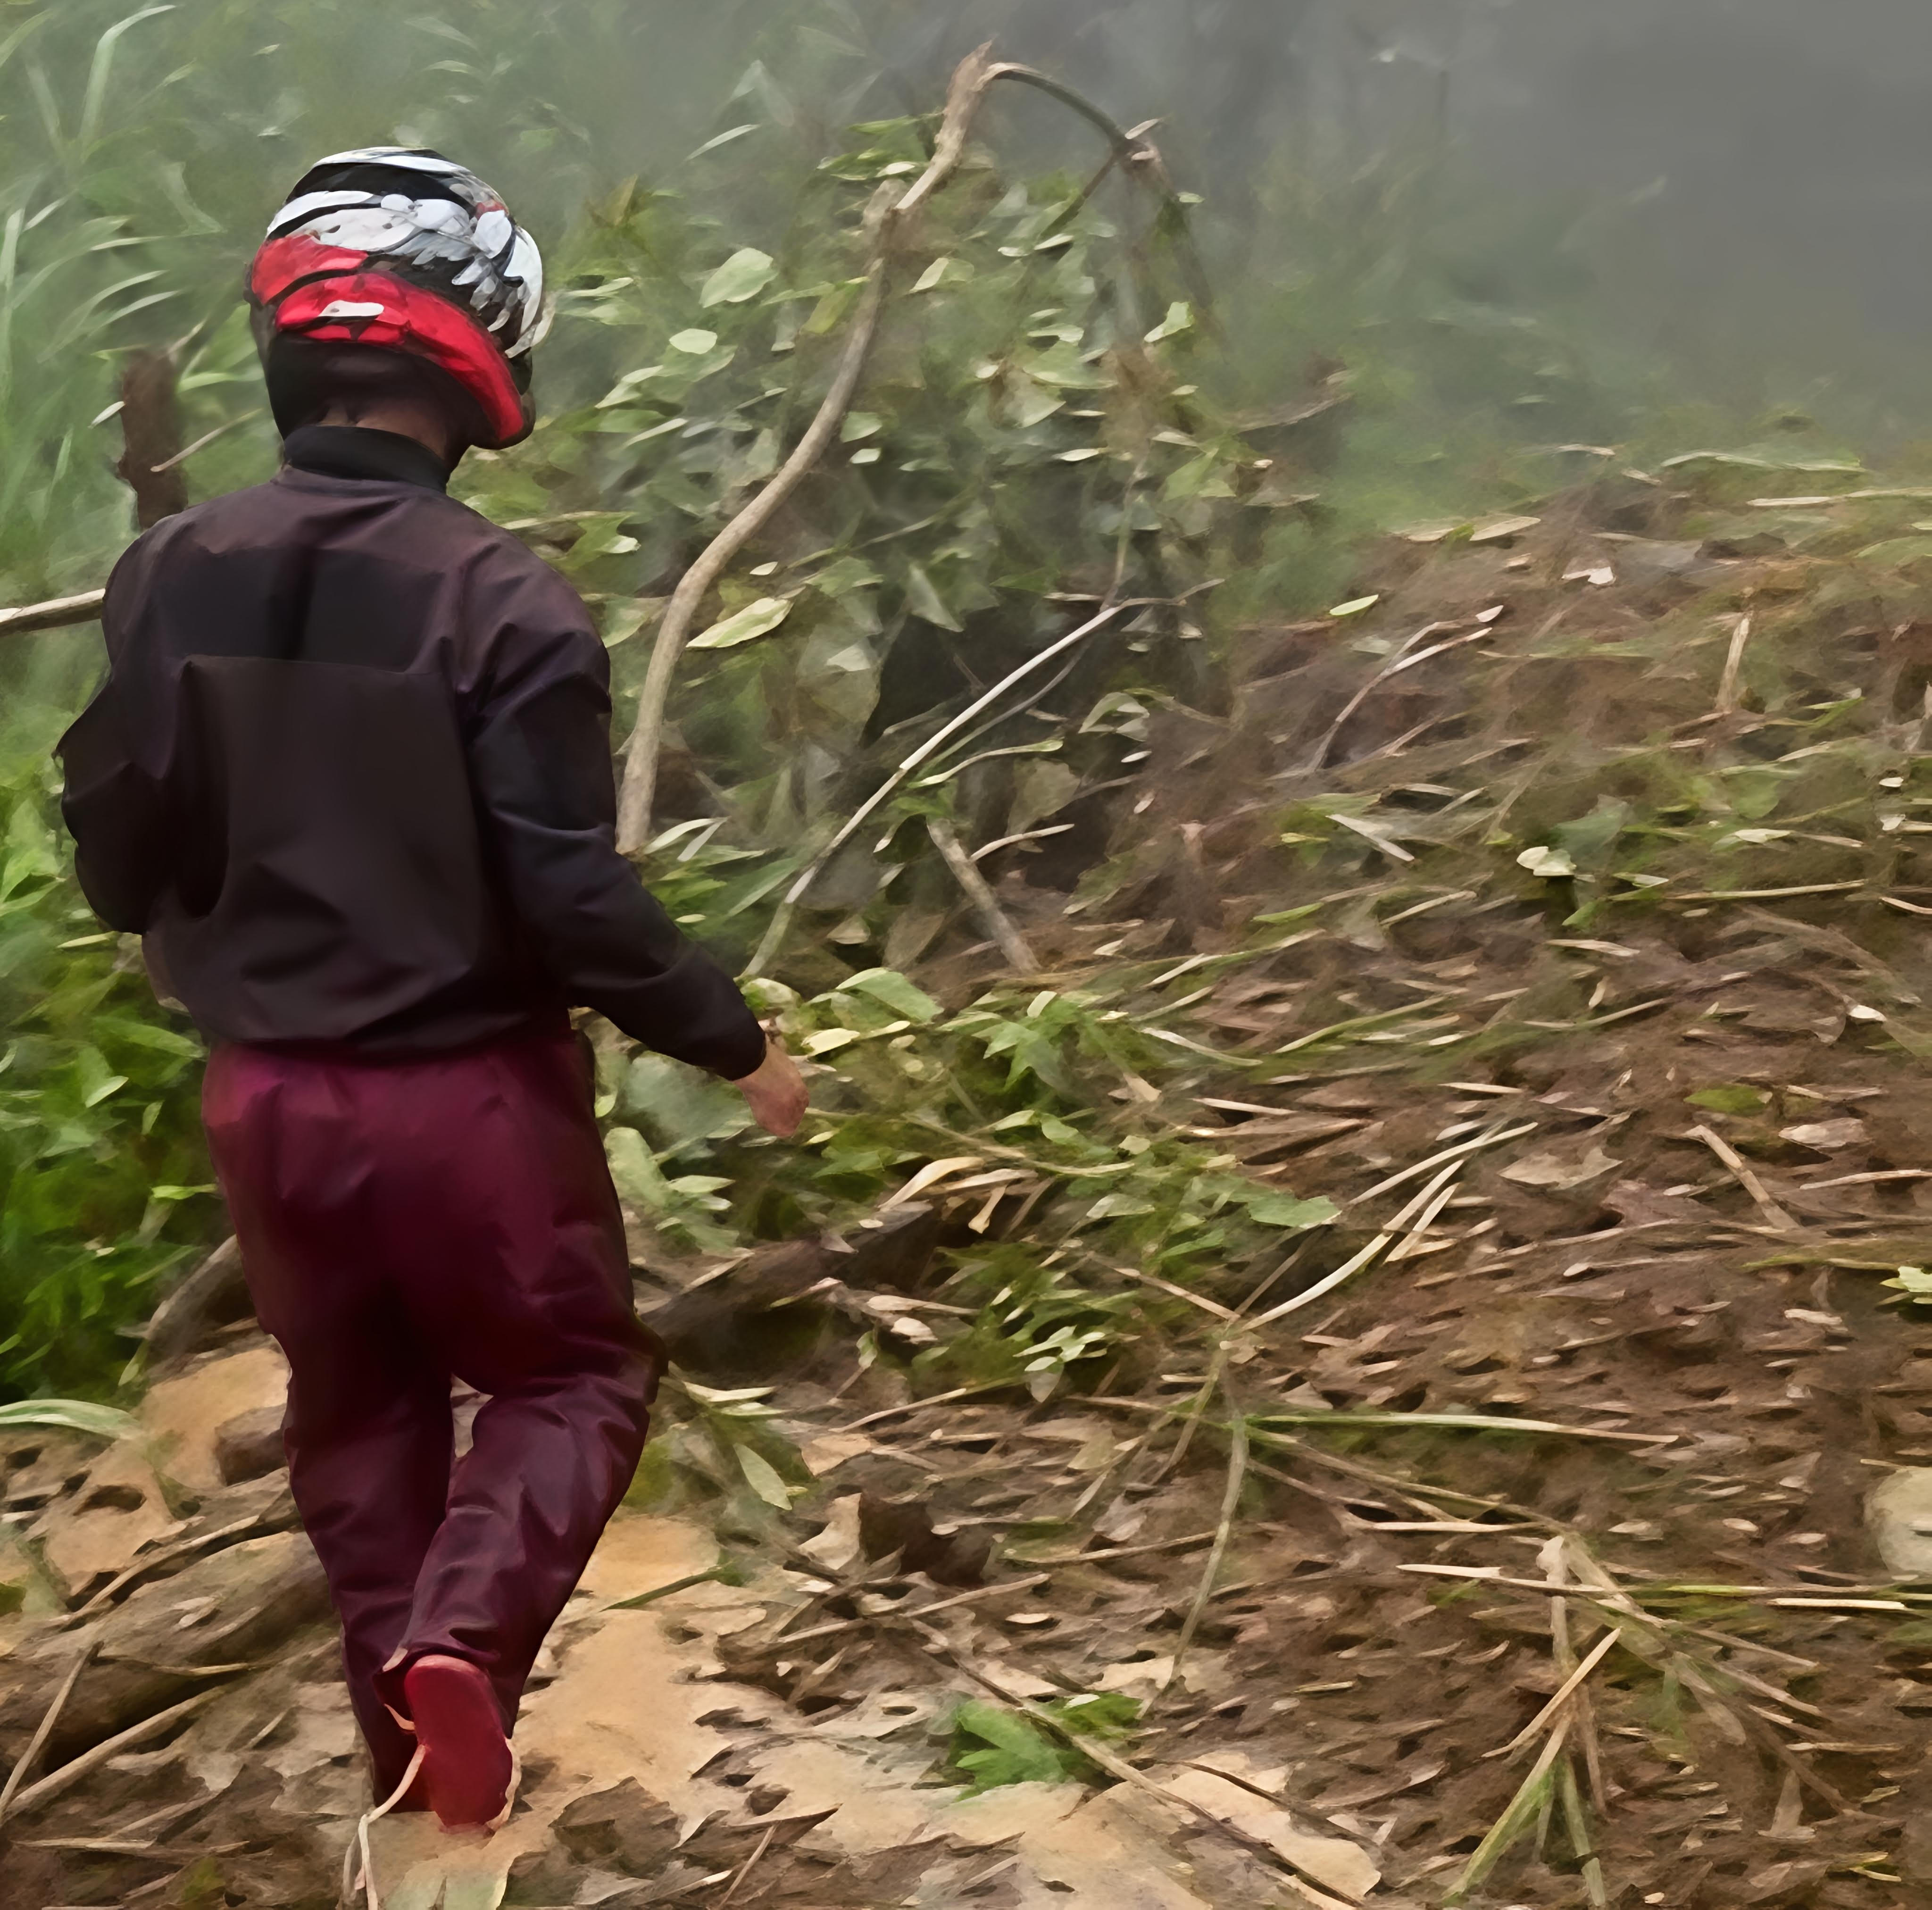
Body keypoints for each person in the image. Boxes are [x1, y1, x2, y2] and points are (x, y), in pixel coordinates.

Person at [56, 147, 808, 1835]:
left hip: (265, 1103)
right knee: (570, 1380)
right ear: (480, 353)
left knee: (358, 1417)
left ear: (294, 345)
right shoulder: (501, 595)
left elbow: (114, 836)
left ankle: (409, 1763)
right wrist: (731, 1033)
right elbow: (571, 889)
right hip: (466, 1097)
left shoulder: (168, 570)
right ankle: (466, 1647)